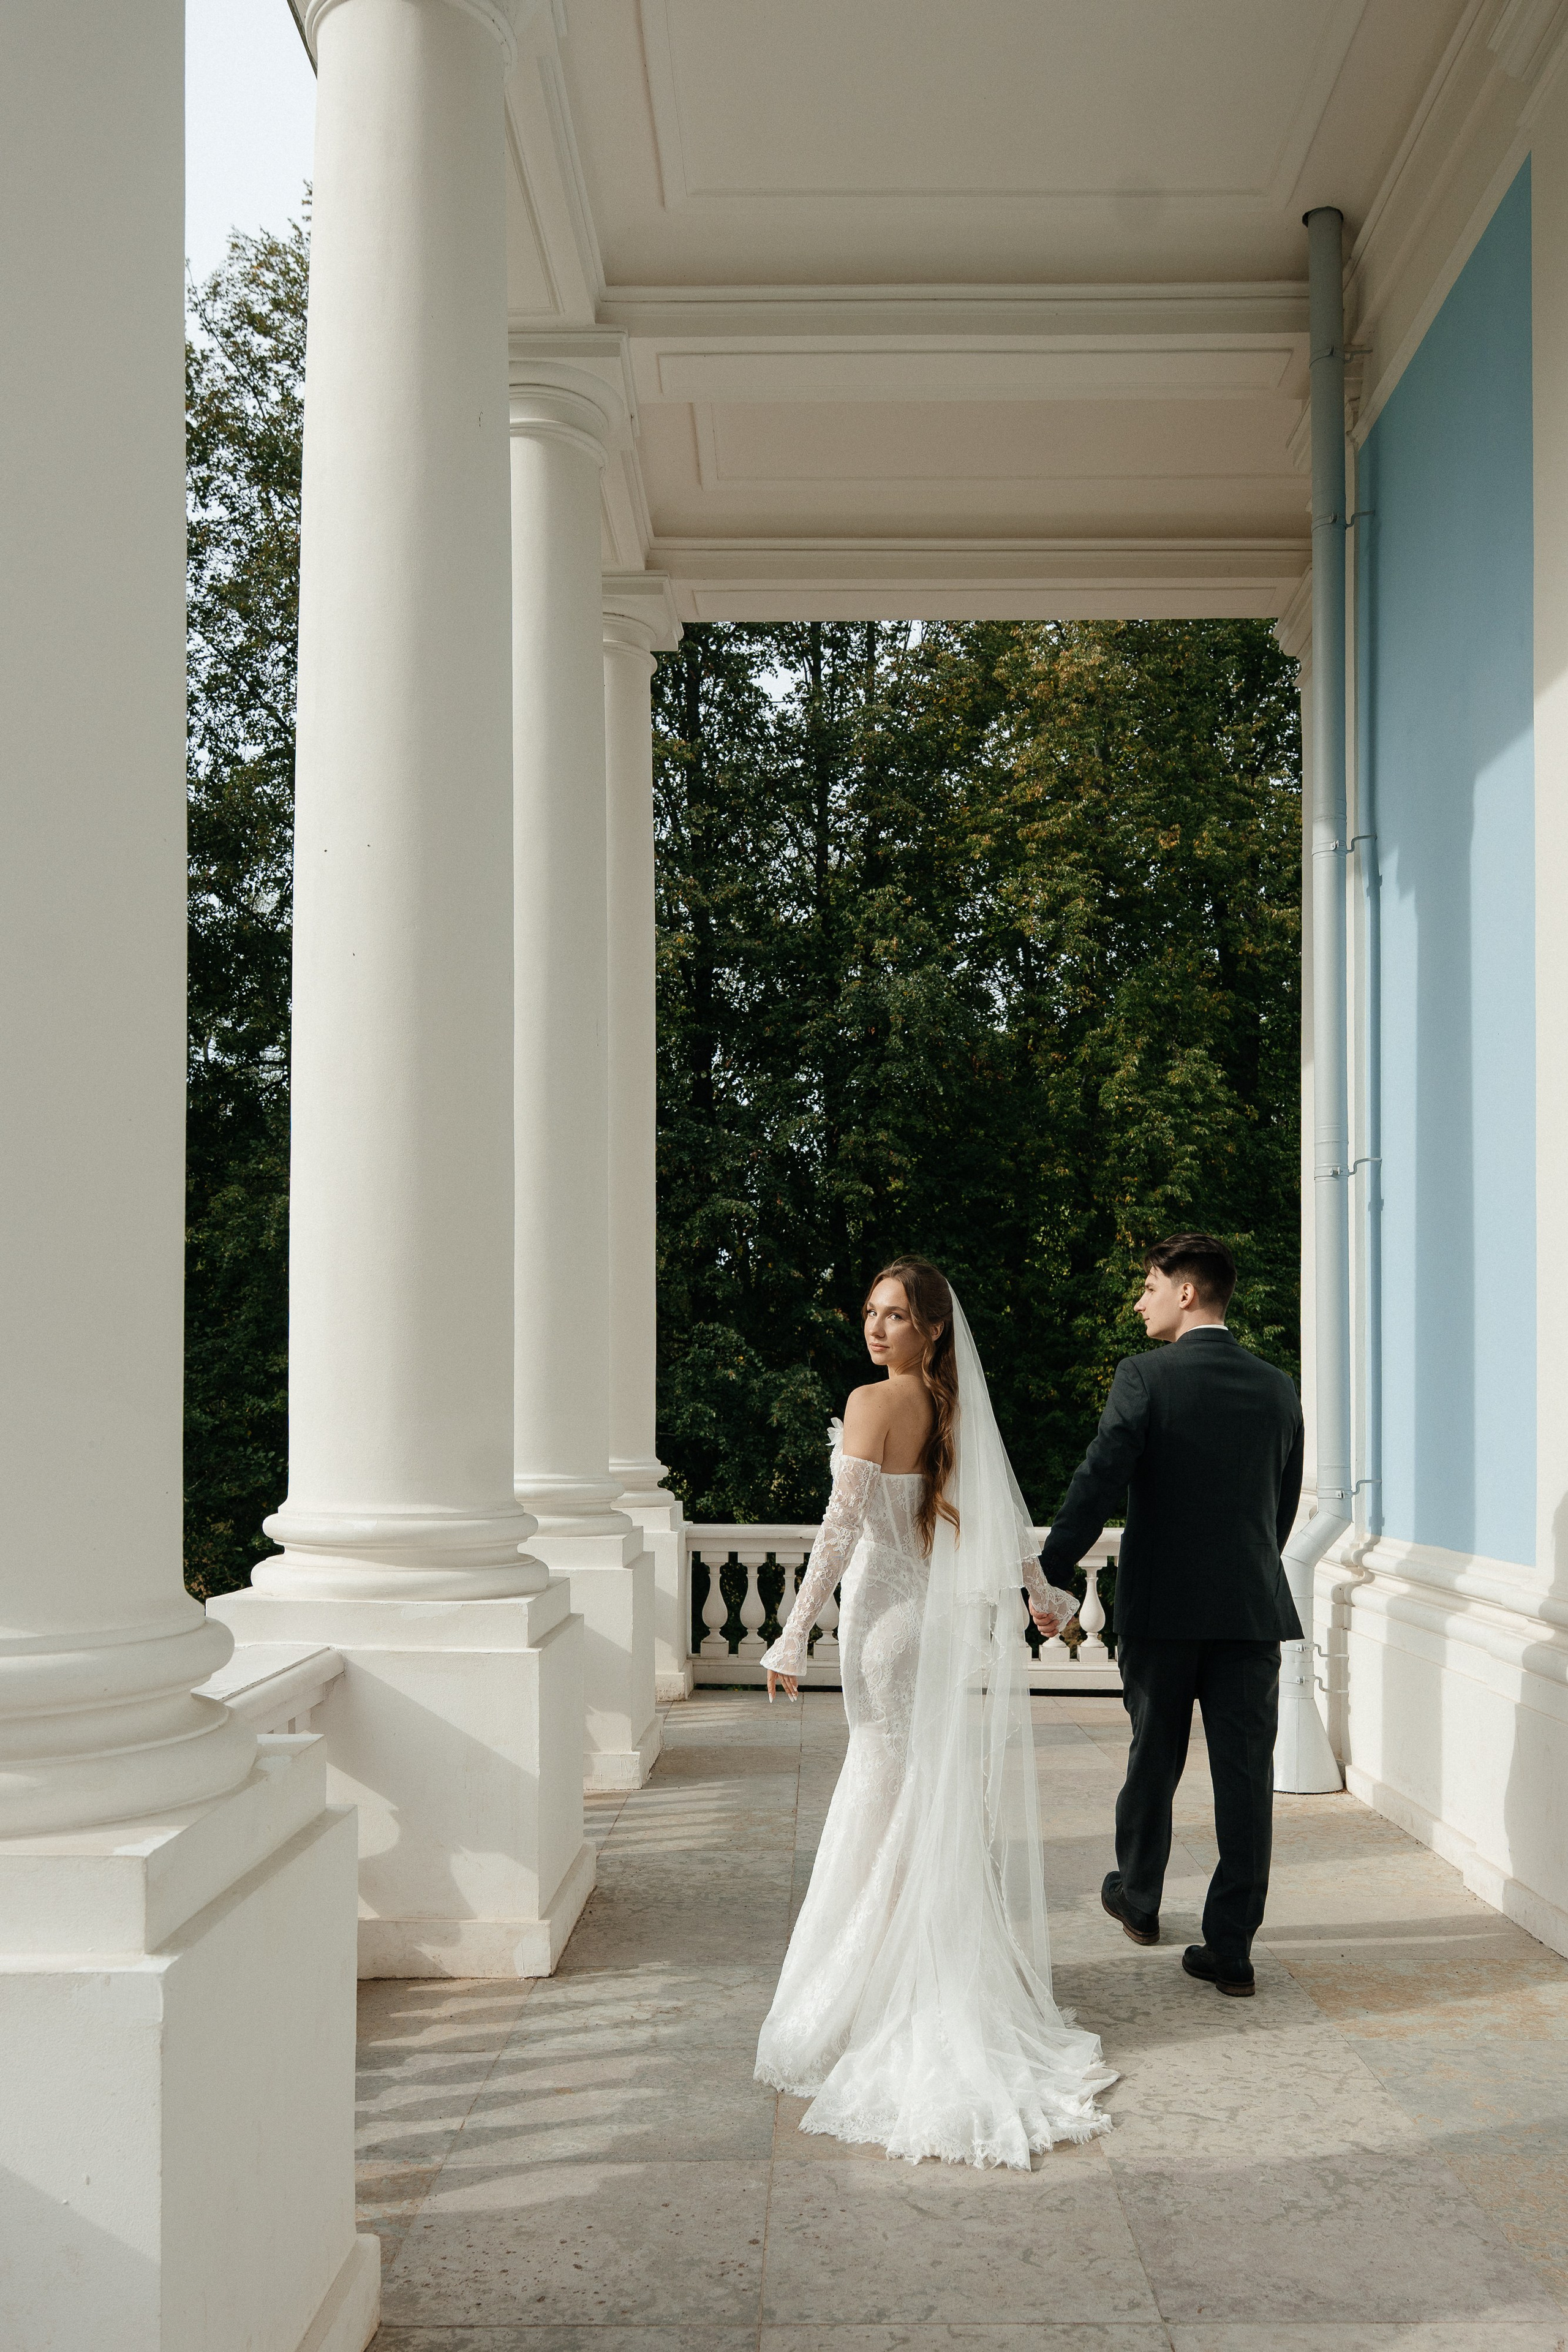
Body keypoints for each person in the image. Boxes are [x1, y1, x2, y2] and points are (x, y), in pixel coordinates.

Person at [754, 1256, 1118, 2168]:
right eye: (872, 1313)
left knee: (882, 1791)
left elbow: (838, 1534)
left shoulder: (874, 1404)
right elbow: (992, 1521)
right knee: (918, 1795)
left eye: (898, 1316)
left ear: (932, 1331)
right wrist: (1042, 1592)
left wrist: (792, 1636)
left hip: (883, 1628)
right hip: (933, 1629)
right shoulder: (954, 1414)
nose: (877, 1330)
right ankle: (918, 1970)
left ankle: (875, 1994)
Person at [1035, 1233, 1305, 1998]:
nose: (1139, 1299)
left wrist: (1050, 1579)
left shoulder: (1144, 1377)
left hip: (1161, 1612)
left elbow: (1096, 1482)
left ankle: (1141, 1902)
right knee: (1246, 1780)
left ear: (1186, 1292)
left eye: (1149, 1285)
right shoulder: (1278, 1386)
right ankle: (1232, 1950)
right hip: (1250, 1613)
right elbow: (1277, 1512)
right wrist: (1246, 1570)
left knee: (1153, 1758)